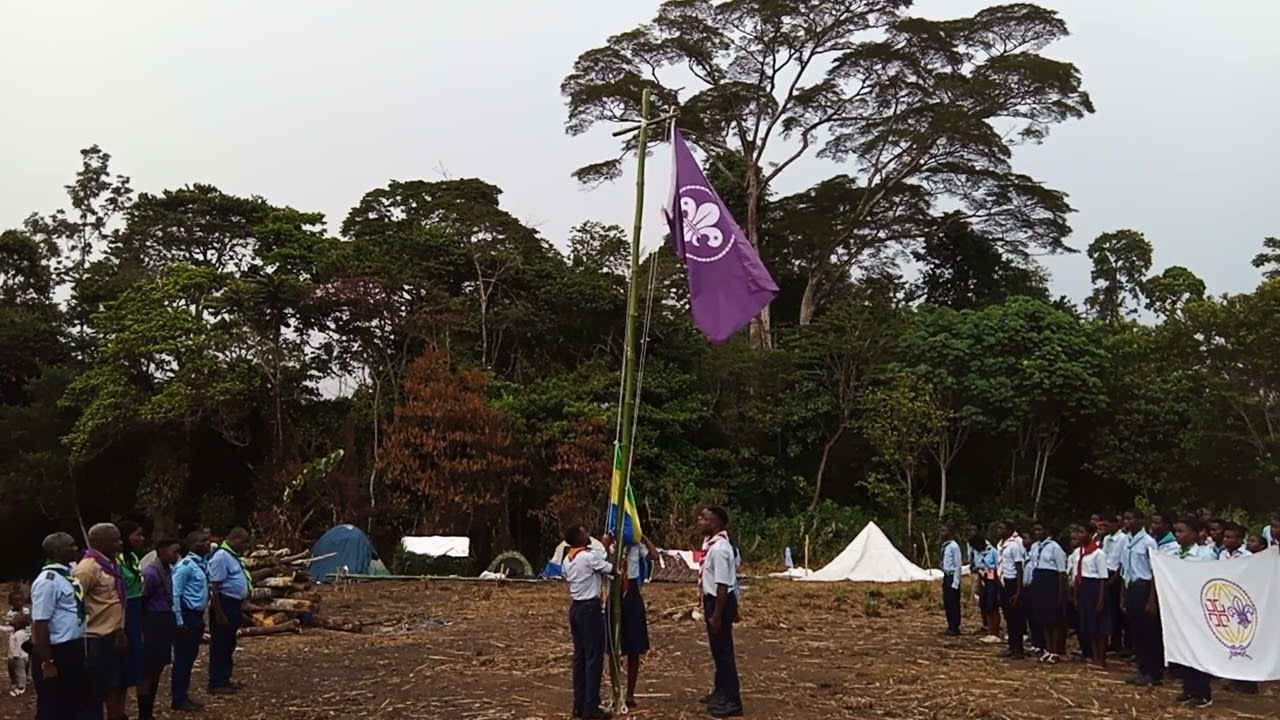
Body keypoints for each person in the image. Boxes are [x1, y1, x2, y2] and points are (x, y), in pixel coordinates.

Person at [1158, 516, 1215, 708]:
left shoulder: (1205, 554)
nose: (1178, 535)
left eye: (1183, 531)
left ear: (1197, 533)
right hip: (1179, 607)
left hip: (1197, 608)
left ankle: (1203, 692)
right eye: (1177, 531)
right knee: (1183, 648)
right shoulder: (1174, 553)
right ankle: (1188, 688)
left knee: (1198, 649)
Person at [31, 532, 88, 720]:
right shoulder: (47, 581)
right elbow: (40, 623)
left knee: (72, 703)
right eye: (70, 545)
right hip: (56, 650)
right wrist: (47, 663)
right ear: (56, 551)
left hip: (73, 647)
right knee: (52, 706)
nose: (75, 548)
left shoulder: (67, 575)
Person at [77, 522, 128, 720]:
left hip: (112, 634)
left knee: (106, 686)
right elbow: (76, 601)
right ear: (101, 542)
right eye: (116, 540)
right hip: (94, 637)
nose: (120, 543)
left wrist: (120, 630)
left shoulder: (111, 564)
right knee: (93, 690)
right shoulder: (87, 568)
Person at [562, 523, 612, 719]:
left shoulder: (568, 558)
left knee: (580, 657)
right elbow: (610, 569)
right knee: (593, 658)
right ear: (578, 539)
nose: (588, 534)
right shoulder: (588, 557)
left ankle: (579, 703)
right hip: (590, 609)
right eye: (583, 532)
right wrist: (607, 548)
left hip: (576, 609)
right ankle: (591, 706)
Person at [696, 506, 742, 718]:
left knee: (723, 652)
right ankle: (720, 690)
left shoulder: (721, 549)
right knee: (718, 650)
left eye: (704, 519)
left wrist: (716, 615)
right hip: (713, 600)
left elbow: (723, 584)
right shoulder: (711, 544)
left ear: (714, 523)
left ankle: (732, 700)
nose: (699, 521)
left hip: (719, 601)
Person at [605, 531, 659, 709]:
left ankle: (630, 693)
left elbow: (654, 556)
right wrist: (606, 544)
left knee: (634, 647)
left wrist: (643, 536)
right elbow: (601, 561)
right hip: (615, 592)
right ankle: (616, 691)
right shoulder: (610, 546)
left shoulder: (636, 547)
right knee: (614, 647)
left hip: (632, 594)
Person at [1118, 509, 1161, 687]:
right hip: (1130, 588)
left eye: (1130, 519)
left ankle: (1154, 673)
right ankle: (1142, 670)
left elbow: (1154, 573)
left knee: (1149, 632)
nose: (1126, 522)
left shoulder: (1148, 542)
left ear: (1140, 520)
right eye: (1125, 519)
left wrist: (1151, 600)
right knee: (1136, 631)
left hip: (1144, 589)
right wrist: (1122, 596)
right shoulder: (1126, 540)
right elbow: (1124, 569)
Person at [138, 538, 181, 720]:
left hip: (164, 618)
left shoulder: (167, 570)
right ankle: (144, 713)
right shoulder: (151, 572)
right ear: (161, 550)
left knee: (158, 666)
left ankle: (149, 709)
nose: (176, 555)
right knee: (149, 667)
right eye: (173, 551)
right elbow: (143, 598)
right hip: (152, 620)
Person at [207, 527, 251, 695]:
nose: (246, 545)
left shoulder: (232, 556)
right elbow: (215, 587)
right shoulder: (221, 557)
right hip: (224, 603)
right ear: (233, 538)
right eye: (244, 541)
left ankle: (225, 678)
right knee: (220, 644)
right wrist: (219, 612)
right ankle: (216, 682)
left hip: (234, 604)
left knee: (229, 643)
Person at [170, 530, 211, 712]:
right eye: (203, 541)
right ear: (193, 544)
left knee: (190, 658)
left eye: (208, 540)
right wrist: (179, 621)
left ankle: (184, 695)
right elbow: (175, 593)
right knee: (183, 659)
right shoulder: (185, 566)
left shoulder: (201, 565)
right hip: (186, 615)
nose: (207, 543)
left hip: (196, 615)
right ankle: (178, 698)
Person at [1217, 523, 1258, 695]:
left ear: (1240, 539)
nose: (1227, 540)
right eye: (1225, 537)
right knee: (1231, 638)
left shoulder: (1248, 556)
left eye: (1231, 537)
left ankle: (1249, 682)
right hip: (1226, 600)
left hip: (1243, 602)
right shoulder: (1222, 554)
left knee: (1246, 640)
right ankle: (1233, 675)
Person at [115, 521, 146, 714]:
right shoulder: (114, 562)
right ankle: (115, 712)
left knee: (131, 666)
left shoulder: (132, 557)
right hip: (121, 613)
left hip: (136, 611)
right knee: (119, 667)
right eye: (138, 534)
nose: (142, 539)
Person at [1072, 522, 1110, 669]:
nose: (1079, 535)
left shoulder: (1098, 554)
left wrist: (1101, 599)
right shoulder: (1078, 552)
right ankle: (1094, 657)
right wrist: (1076, 595)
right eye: (1078, 532)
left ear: (1090, 534)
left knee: (1099, 626)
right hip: (1083, 588)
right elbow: (1076, 575)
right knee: (1090, 625)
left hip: (1095, 588)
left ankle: (1101, 658)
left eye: (1082, 532)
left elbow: (1102, 578)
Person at [1029, 522, 1067, 663]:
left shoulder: (1054, 548)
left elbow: (1061, 572)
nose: (1037, 532)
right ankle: (1047, 649)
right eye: (1035, 530)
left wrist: (1060, 593)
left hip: (1051, 582)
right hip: (1039, 581)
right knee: (1043, 618)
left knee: (1054, 619)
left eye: (1040, 529)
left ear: (1047, 530)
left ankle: (1055, 651)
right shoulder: (1034, 546)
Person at [995, 520, 1026, 660]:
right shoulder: (1000, 545)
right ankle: (1011, 645)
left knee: (1016, 617)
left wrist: (1019, 591)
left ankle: (1018, 648)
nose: (999, 530)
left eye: (1002, 527)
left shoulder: (1015, 545)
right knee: (1008, 615)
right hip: (1002, 580)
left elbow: (1019, 567)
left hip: (1012, 581)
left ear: (1010, 530)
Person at [968, 532, 1001, 640]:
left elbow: (998, 566)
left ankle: (995, 633)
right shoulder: (979, 552)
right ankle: (990, 631)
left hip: (993, 581)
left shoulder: (993, 552)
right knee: (985, 606)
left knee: (992, 606)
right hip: (984, 580)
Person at [1020, 532, 1043, 655]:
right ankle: (1035, 642)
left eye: (1026, 538)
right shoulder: (1025, 552)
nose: (1023, 541)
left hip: (1035, 587)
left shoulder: (1036, 552)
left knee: (1036, 617)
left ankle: (1040, 644)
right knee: (1030, 616)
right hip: (1026, 587)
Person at [5, 592, 31, 696]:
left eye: (21, 600)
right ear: (11, 603)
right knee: (13, 664)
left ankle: (22, 683)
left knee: (24, 662)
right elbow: (10, 627)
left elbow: (29, 621)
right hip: (14, 642)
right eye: (16, 601)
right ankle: (16, 680)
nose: (19, 603)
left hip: (26, 641)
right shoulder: (10, 614)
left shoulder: (27, 611)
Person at [939, 524, 963, 636]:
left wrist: (956, 581)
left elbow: (958, 564)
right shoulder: (946, 546)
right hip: (946, 575)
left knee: (954, 602)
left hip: (953, 576)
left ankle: (955, 626)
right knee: (947, 602)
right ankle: (950, 625)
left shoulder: (954, 546)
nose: (942, 533)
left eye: (944, 531)